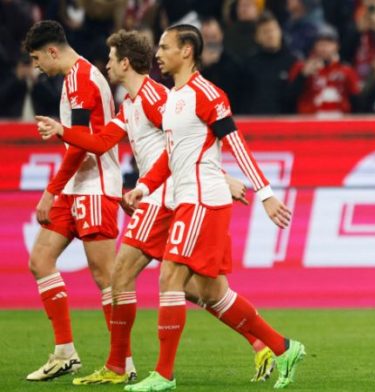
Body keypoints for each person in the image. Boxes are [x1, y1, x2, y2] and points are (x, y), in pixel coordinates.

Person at [35, 29, 276, 385]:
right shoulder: (130, 105)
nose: (107, 65)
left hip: (168, 197)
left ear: (125, 62)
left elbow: (190, 141)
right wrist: (63, 131)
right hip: (157, 193)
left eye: (111, 58)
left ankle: (123, 366)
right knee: (200, 290)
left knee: (122, 275)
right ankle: (264, 343)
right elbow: (100, 143)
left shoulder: (155, 97)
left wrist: (220, 178)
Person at [122, 24, 305, 391]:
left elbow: (236, 144)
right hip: (189, 199)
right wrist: (143, 186)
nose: (157, 54)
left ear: (186, 50)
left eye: (164, 46)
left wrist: (265, 193)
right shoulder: (173, 98)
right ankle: (283, 347)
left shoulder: (208, 94)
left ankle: (163, 375)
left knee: (170, 276)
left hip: (203, 200)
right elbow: (171, 157)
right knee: (212, 293)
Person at [22, 20, 124, 382]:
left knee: (106, 277)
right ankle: (65, 352)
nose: (36, 66)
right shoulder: (76, 78)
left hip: (94, 185)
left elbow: (82, 145)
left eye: (37, 58)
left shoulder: (81, 78)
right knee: (41, 260)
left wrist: (51, 190)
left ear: (53, 51)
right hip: (76, 187)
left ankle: (121, 363)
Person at [288, 25, 361, 116]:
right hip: (309, 125)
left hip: (340, 124)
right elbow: (288, 99)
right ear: (314, 46)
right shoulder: (301, 67)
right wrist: (302, 76)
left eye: (329, 43)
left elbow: (357, 103)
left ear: (337, 46)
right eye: (320, 43)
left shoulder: (347, 71)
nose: (324, 48)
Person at [239, 11, 298, 114]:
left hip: (286, 123)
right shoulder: (249, 64)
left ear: (280, 32)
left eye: (273, 30)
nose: (270, 35)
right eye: (265, 31)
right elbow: (244, 99)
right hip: (256, 122)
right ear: (257, 37)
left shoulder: (292, 62)